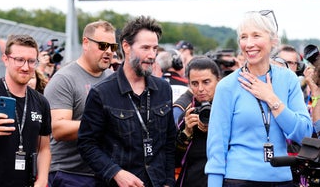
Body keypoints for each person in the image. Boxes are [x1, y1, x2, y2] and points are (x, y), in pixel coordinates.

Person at [205, 10, 313, 187]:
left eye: (256, 36)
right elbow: (217, 147)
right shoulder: (227, 86)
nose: (249, 44)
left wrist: (272, 100)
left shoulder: (289, 79)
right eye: (244, 37)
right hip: (239, 180)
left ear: (273, 40)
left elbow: (304, 134)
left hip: (282, 179)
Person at [77, 15, 176, 187]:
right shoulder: (102, 93)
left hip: (157, 181)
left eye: (155, 48)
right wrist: (116, 173)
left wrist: (168, 181)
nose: (152, 55)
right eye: (145, 48)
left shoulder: (163, 89)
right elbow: (87, 145)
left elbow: (169, 142)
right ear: (126, 47)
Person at [0, 34, 51, 187]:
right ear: (5, 59)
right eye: (19, 60)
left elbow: (44, 147)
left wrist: (42, 180)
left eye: (31, 61)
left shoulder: (41, 102)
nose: (26, 67)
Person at [44, 20, 117, 187]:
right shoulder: (65, 79)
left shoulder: (112, 79)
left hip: (104, 172)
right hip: (70, 173)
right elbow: (58, 129)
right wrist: (101, 123)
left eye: (112, 47)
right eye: (103, 45)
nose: (108, 52)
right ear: (86, 43)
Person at [174, 56, 221, 187]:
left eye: (206, 82)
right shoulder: (187, 115)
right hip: (192, 180)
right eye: (194, 83)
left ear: (218, 80)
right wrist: (186, 133)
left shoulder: (230, 111)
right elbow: (175, 161)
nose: (200, 89)